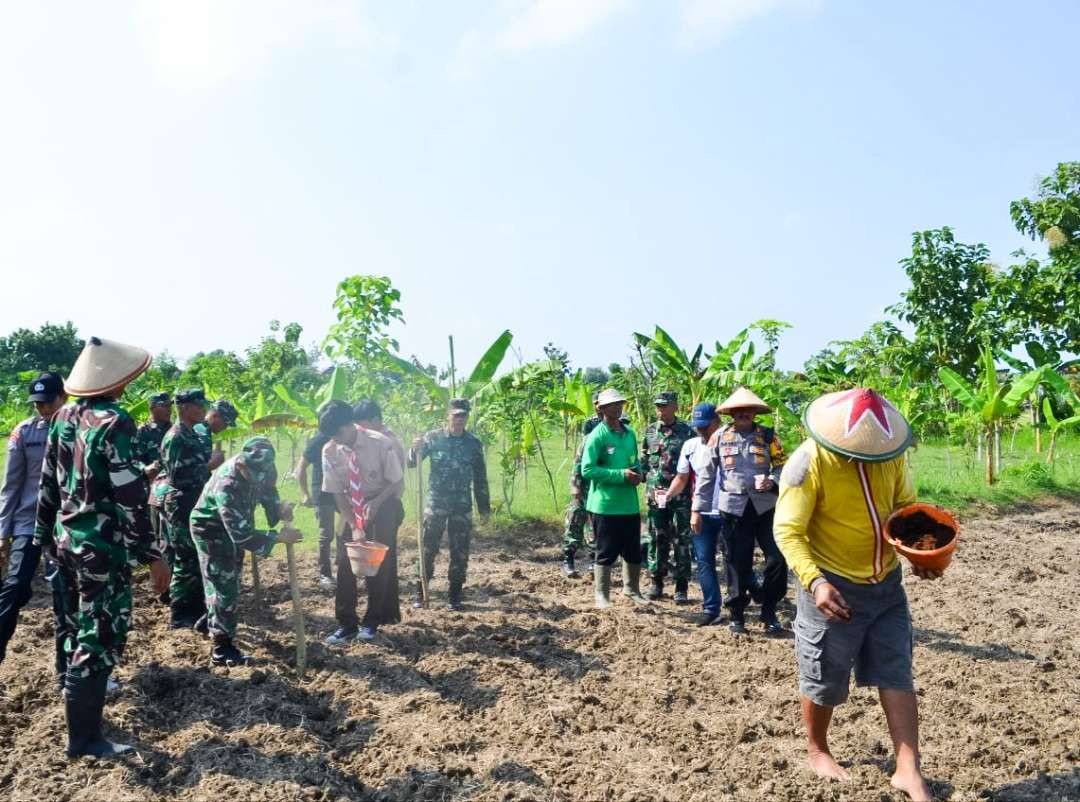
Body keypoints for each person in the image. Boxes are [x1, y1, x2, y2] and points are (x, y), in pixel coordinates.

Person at [773, 387, 937, 802]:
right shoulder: (807, 463)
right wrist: (816, 582)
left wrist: (916, 548)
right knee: (824, 676)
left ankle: (907, 769)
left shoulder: (890, 455)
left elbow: (903, 507)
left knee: (896, 671)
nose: (868, 457)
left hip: (887, 586)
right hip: (832, 586)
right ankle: (818, 748)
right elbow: (788, 531)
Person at [34, 336, 170, 758]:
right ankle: (85, 739)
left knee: (79, 629)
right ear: (118, 380)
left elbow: (47, 485)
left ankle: (85, 730)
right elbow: (129, 495)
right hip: (101, 549)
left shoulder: (63, 416)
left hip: (66, 542)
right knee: (99, 636)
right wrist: (152, 555)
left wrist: (42, 539)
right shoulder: (115, 422)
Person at [189, 436, 300, 666]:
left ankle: (213, 617)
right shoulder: (227, 483)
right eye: (252, 473)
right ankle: (222, 648)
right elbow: (242, 535)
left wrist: (279, 510)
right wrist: (277, 537)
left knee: (230, 579)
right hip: (210, 528)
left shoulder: (265, 466)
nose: (257, 478)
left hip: (235, 525)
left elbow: (269, 491)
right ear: (241, 463)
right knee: (224, 584)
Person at [693, 387, 787, 635]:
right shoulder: (719, 437)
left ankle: (769, 610)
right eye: (738, 411)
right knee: (737, 563)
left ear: (755, 412)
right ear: (731, 414)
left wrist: (772, 481)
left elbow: (782, 467)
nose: (744, 414)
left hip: (765, 507)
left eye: (748, 411)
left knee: (777, 560)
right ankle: (737, 616)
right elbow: (706, 475)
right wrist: (697, 510)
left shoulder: (769, 437)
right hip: (733, 509)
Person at [320, 401, 405, 643]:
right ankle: (346, 623)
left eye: (339, 434)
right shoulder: (329, 450)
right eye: (332, 436)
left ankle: (372, 622)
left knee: (377, 562)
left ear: (350, 425)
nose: (336, 440)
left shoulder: (380, 442)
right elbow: (337, 493)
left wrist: (376, 503)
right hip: (350, 505)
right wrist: (355, 525)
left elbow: (395, 481)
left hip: (383, 501)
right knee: (346, 563)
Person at [0, 372, 68, 669]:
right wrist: (3, 533)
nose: (43, 409)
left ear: (63, 397)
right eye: (38, 404)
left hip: (64, 525)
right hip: (27, 523)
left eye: (48, 402)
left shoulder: (76, 430)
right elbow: (11, 486)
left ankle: (66, 669)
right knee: (15, 587)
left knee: (65, 597)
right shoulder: (24, 433)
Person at [409, 398, 490, 611]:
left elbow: (481, 477)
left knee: (460, 550)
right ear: (448, 416)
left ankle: (454, 596)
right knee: (428, 547)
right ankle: (420, 592)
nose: (459, 419)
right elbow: (411, 463)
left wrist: (484, 508)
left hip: (461, 506)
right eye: (456, 415)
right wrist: (414, 449)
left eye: (463, 415)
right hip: (436, 503)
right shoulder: (433, 438)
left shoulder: (473, 443)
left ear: (467, 417)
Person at [581, 388, 647, 609]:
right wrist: (620, 475)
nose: (617, 408)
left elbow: (633, 460)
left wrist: (637, 474)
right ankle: (602, 594)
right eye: (612, 405)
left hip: (629, 504)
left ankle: (632, 589)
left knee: (633, 549)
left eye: (620, 404)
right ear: (601, 409)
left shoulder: (629, 434)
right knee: (606, 551)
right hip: (605, 505)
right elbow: (587, 470)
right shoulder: (597, 436)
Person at [159, 389, 215, 629]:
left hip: (193, 501)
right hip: (181, 502)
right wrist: (210, 465)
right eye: (198, 405)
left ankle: (194, 606)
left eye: (203, 405)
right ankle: (180, 612)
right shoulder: (176, 436)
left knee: (194, 556)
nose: (203, 409)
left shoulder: (192, 434)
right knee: (185, 558)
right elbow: (177, 476)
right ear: (183, 408)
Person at [669, 402, 724, 626]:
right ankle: (711, 608)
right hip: (701, 512)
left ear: (717, 422)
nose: (701, 431)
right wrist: (667, 497)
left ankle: (746, 597)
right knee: (704, 561)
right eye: (697, 426)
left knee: (736, 562)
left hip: (730, 511)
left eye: (706, 426)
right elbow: (682, 478)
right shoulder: (690, 446)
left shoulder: (729, 441)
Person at [641, 391, 695, 603]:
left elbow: (692, 465)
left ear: (675, 407)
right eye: (658, 406)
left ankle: (681, 586)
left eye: (664, 406)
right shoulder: (650, 432)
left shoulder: (687, 432)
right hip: (656, 495)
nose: (660, 410)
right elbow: (645, 462)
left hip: (680, 497)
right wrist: (642, 479)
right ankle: (656, 582)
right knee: (656, 538)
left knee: (682, 540)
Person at [559, 393, 601, 579]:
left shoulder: (620, 423)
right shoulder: (590, 424)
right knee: (576, 516)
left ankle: (594, 559)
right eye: (597, 403)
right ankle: (568, 558)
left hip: (602, 482)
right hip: (586, 480)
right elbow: (580, 457)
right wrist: (575, 484)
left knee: (597, 522)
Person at [296, 422, 336, 588]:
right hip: (323, 492)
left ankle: (347, 568)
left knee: (348, 530)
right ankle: (324, 574)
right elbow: (301, 468)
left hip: (344, 491)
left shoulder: (344, 436)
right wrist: (305, 493)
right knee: (326, 534)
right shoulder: (318, 441)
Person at [134, 392, 172, 560]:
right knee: (156, 530)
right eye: (164, 406)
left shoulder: (174, 429)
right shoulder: (143, 431)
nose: (169, 410)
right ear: (152, 408)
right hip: (153, 490)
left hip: (173, 489)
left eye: (170, 406)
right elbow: (133, 459)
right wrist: (145, 469)